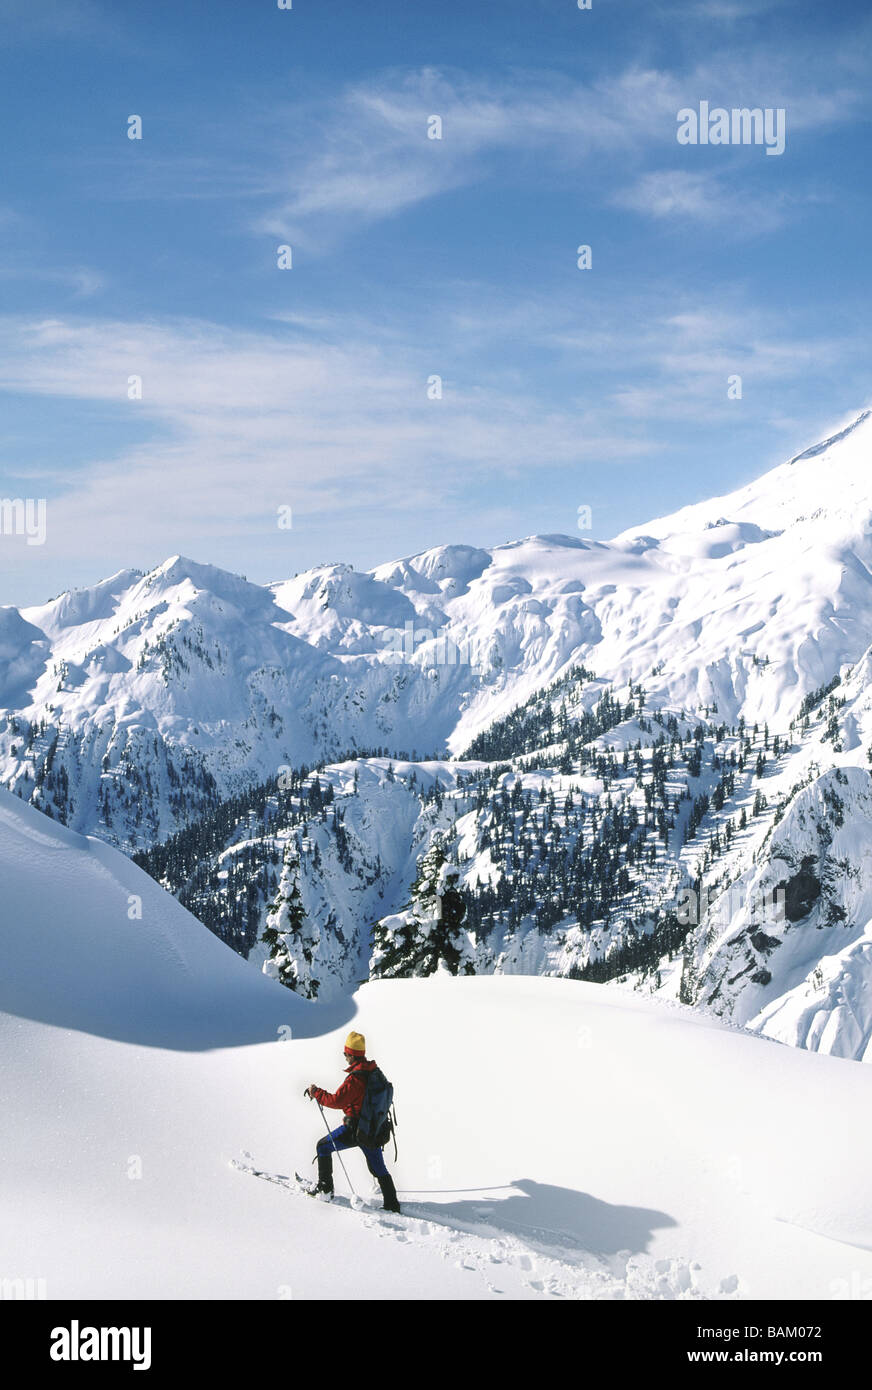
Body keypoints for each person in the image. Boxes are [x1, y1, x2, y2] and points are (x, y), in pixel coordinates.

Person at [305, 1031, 401, 1213]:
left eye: (345, 1053)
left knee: (322, 1146)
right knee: (379, 1166)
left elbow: (336, 1101)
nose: (345, 1057)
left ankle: (325, 1190)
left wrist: (316, 1092)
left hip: (355, 1129)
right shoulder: (374, 1071)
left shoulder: (356, 1079)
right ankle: (392, 1204)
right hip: (373, 1129)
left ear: (351, 1054)